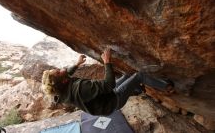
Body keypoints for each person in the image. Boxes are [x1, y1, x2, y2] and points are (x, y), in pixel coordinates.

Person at [42, 48, 174, 116]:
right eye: (58, 71)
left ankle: (138, 90)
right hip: (112, 101)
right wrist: (107, 62)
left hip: (103, 101)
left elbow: (67, 74)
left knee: (127, 75)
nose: (60, 69)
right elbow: (108, 85)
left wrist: (77, 65)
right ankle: (167, 87)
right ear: (64, 81)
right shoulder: (80, 88)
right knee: (138, 76)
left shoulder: (61, 92)